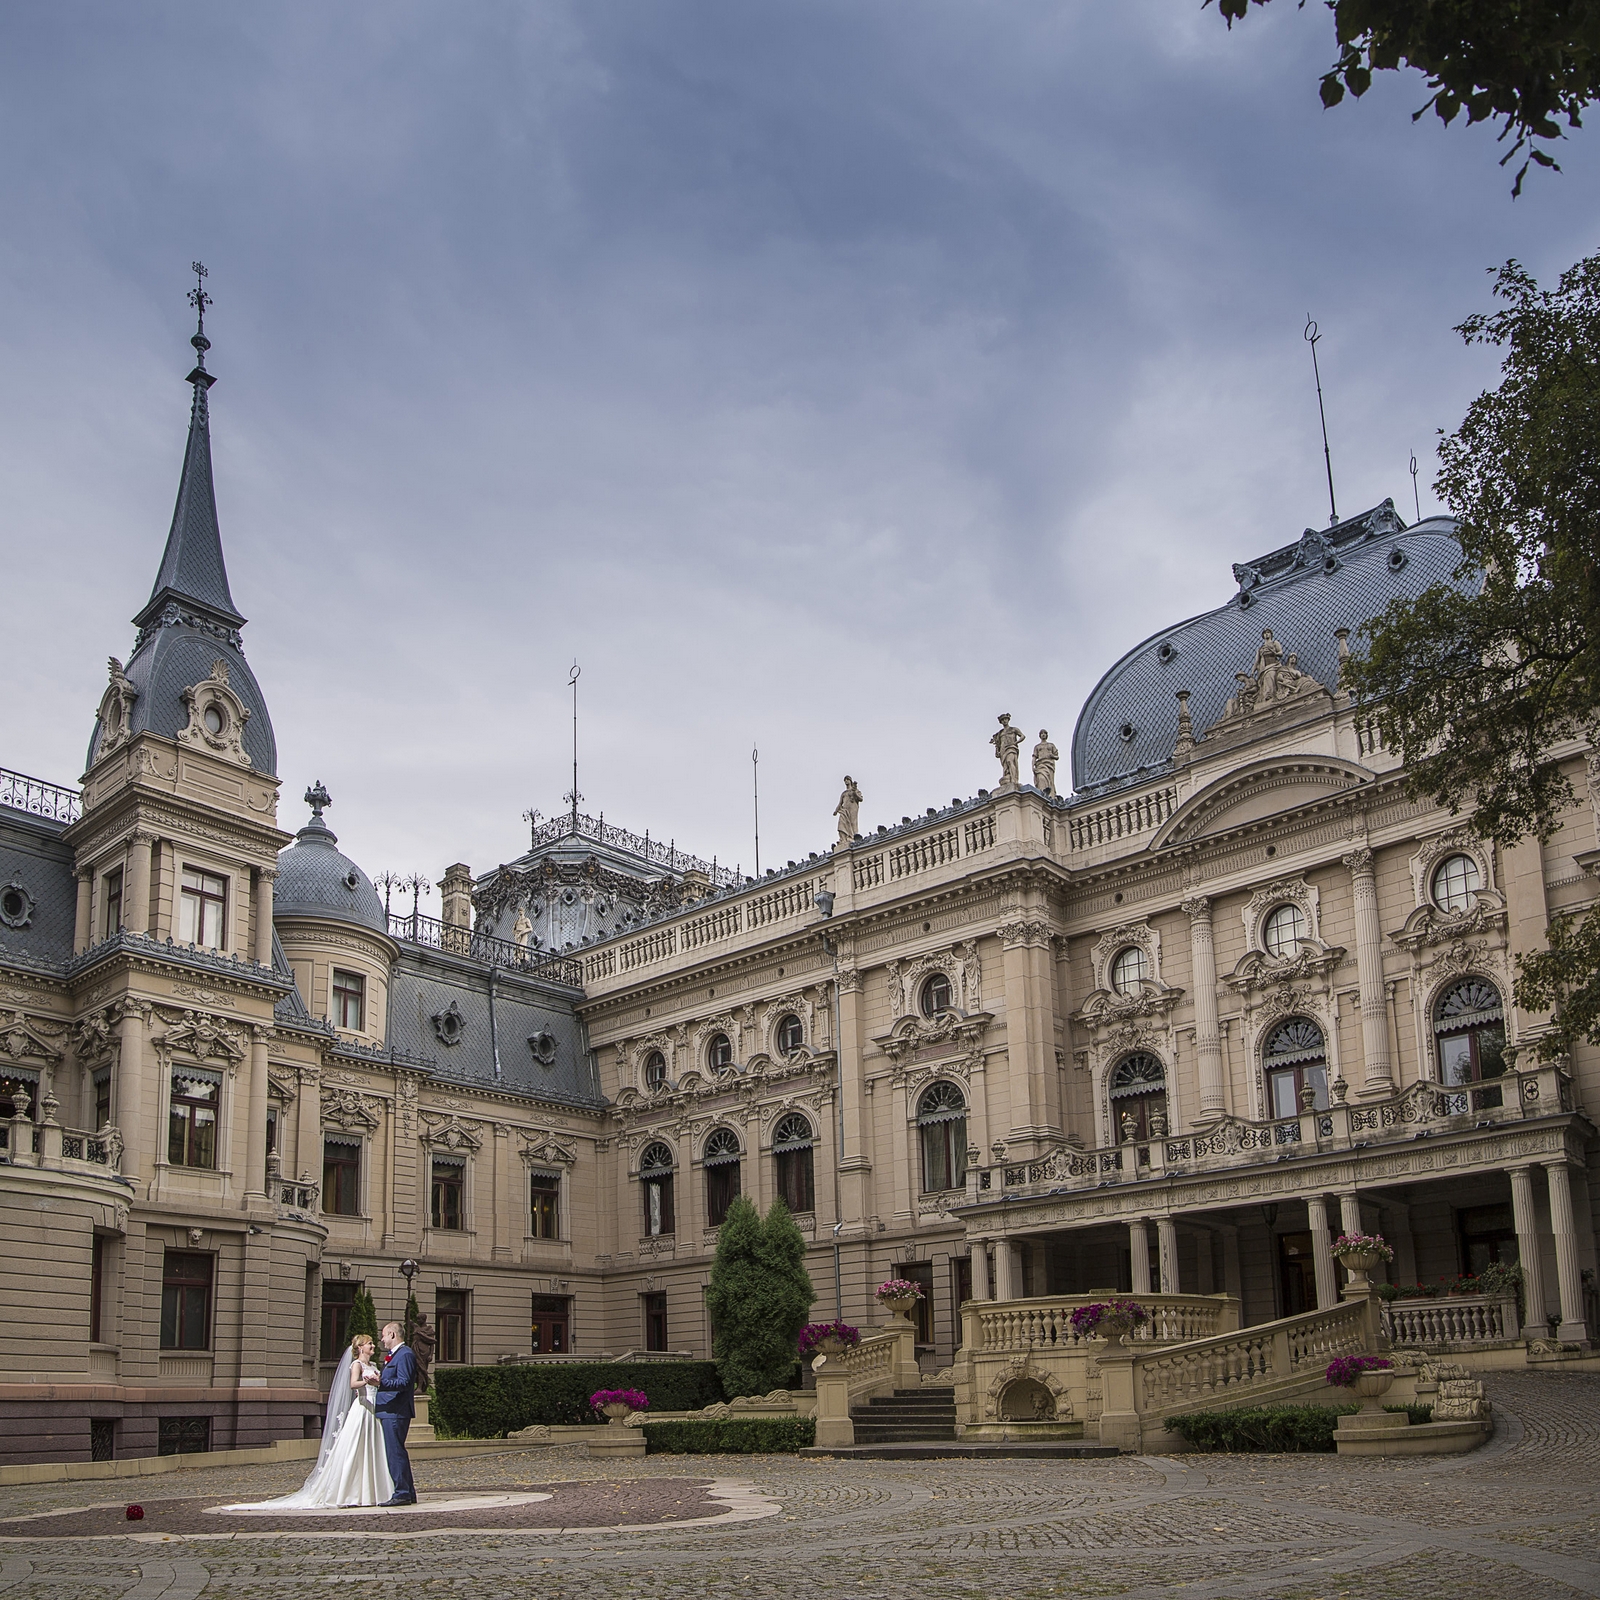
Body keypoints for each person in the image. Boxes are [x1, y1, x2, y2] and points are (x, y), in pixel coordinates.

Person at [219, 1333, 393, 1509]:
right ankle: (350, 1492)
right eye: (369, 1343)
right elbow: (352, 1384)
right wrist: (366, 1381)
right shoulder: (356, 1365)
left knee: (372, 1447)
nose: (373, 1346)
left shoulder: (373, 1365)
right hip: (361, 1408)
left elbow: (377, 1384)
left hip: (373, 1409)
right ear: (360, 1347)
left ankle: (371, 1491)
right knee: (354, 1448)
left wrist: (377, 1382)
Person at [374, 1320, 417, 1506]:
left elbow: (405, 1382)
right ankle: (407, 1492)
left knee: (395, 1452)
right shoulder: (396, 1355)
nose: (382, 1340)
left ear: (392, 1334)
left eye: (384, 1335)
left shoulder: (405, 1354)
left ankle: (402, 1493)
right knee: (396, 1451)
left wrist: (380, 1382)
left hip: (395, 1411)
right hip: (389, 1410)